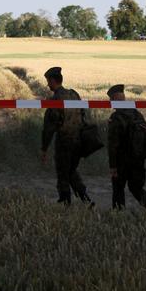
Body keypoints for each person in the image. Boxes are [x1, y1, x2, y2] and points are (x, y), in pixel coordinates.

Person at [106, 84, 146, 219]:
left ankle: (118, 217)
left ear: (113, 99)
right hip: (138, 160)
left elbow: (113, 145)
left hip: (122, 161)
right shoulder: (137, 114)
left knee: (118, 189)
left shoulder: (116, 118)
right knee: (136, 188)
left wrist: (113, 166)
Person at [41, 67, 93, 206]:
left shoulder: (56, 99)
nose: (47, 85)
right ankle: (85, 199)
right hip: (78, 141)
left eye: (48, 81)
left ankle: (65, 203)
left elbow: (49, 127)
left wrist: (44, 148)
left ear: (53, 80)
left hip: (64, 142)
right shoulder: (74, 94)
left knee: (63, 173)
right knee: (71, 171)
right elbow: (83, 114)